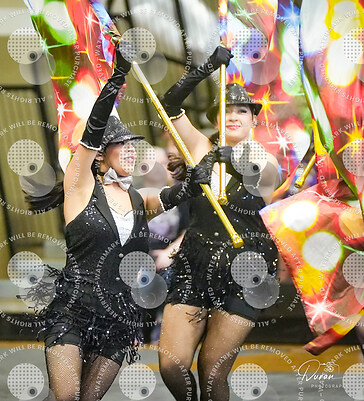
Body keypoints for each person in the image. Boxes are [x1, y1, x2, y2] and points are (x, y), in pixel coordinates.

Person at [25, 47, 212, 401]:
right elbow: (91, 131)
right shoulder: (80, 188)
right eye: (121, 145)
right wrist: (116, 79)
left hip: (118, 317)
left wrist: (198, 178)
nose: (130, 150)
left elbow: (176, 194)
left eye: (132, 145)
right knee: (66, 397)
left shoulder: (138, 199)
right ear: (100, 155)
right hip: (75, 310)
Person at [157, 46, 279, 401]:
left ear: (254, 119)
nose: (234, 115)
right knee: (171, 365)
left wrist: (235, 159)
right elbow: (169, 103)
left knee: (212, 370)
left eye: (243, 110)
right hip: (194, 264)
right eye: (227, 109)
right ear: (216, 118)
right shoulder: (199, 147)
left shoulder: (265, 159)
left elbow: (265, 178)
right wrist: (208, 66)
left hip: (246, 269)